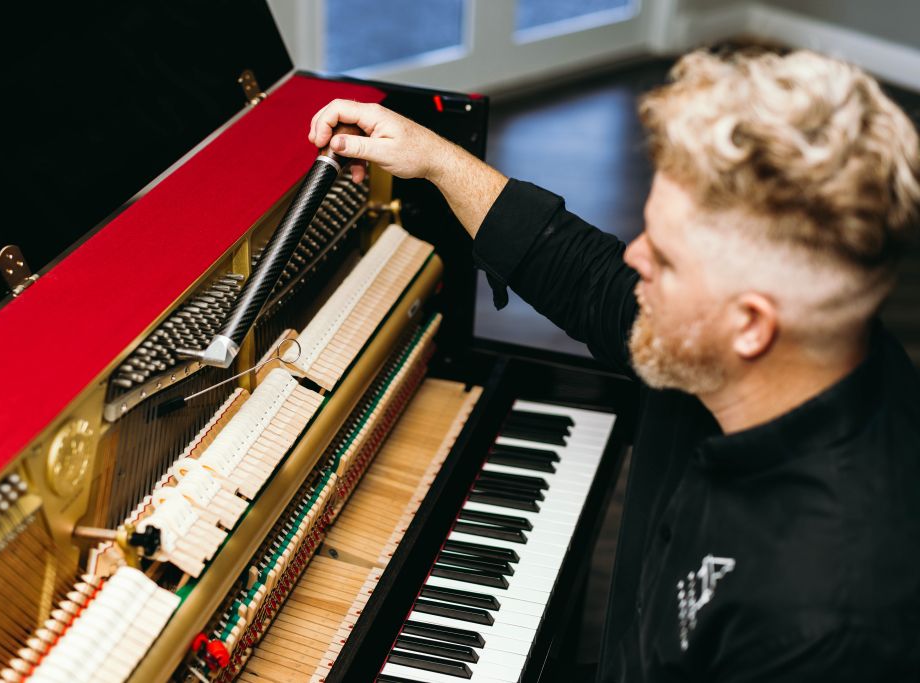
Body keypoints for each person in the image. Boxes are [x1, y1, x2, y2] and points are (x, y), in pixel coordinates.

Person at [309, 49, 920, 682]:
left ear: (751, 325)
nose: (636, 255)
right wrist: (435, 159)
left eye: (668, 257)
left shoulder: (825, 617)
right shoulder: (768, 347)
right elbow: (590, 281)